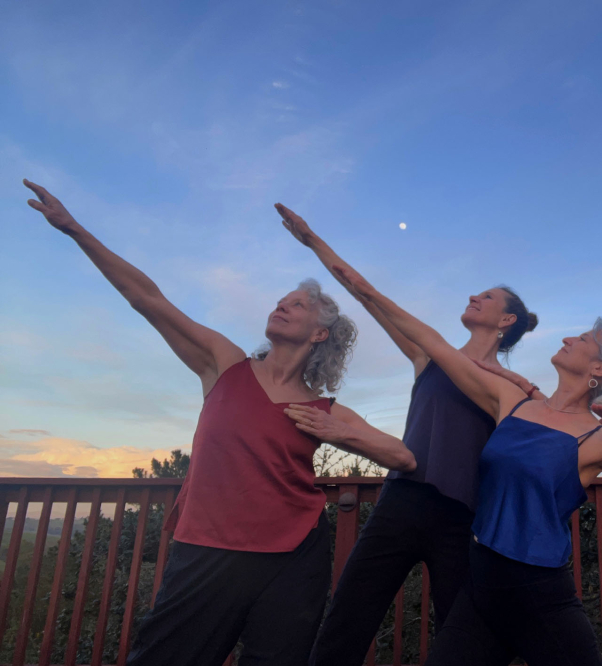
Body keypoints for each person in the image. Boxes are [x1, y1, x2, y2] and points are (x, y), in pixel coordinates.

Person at [22, 180, 416, 666]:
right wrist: (74, 229)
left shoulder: (325, 410)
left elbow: (403, 457)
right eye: (281, 299)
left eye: (298, 304)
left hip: (295, 557)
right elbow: (147, 298)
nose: (282, 304)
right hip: (207, 549)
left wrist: (340, 433)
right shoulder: (224, 365)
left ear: (319, 334)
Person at [331, 262, 602, 666]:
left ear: (601, 368)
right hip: (481, 589)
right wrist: (364, 288)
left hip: (540, 597)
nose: (568, 337)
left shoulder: (601, 439)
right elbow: (433, 344)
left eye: (584, 338)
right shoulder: (514, 402)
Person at [273, 204, 537, 666]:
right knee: (347, 618)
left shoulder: (514, 390)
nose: (475, 296)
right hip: (401, 502)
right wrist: (312, 240)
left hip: (463, 518)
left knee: (460, 636)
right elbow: (366, 293)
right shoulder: (427, 356)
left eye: (488, 297)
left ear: (506, 321)